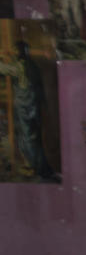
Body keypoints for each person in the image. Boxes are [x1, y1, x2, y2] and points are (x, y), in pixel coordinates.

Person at [0, 39, 58, 181]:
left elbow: (5, 69)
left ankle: (34, 167)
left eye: (15, 50)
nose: (14, 53)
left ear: (20, 52)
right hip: (32, 108)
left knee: (28, 138)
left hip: (25, 109)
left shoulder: (20, 66)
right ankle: (36, 167)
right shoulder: (32, 65)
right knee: (32, 138)